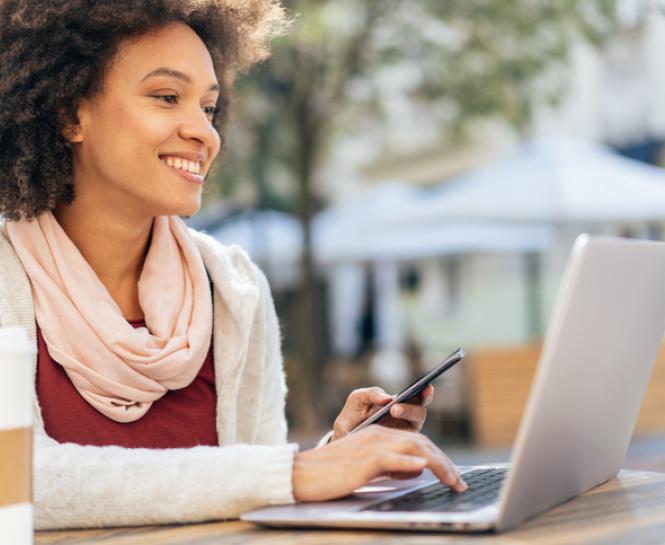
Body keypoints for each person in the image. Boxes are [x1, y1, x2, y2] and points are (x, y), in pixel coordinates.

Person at [0, 0, 466, 530]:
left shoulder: (234, 288)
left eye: (208, 108)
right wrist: (290, 473)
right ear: (69, 114)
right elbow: (19, 480)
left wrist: (340, 453)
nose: (204, 133)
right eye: (167, 97)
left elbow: (246, 490)